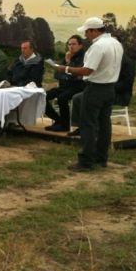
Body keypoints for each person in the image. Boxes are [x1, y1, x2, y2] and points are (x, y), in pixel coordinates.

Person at [53, 17, 123, 171]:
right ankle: (101, 158)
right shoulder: (115, 43)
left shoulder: (98, 46)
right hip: (110, 87)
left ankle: (86, 161)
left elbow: (87, 70)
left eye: (87, 31)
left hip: (95, 88)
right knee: (104, 124)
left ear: (94, 30)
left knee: (88, 125)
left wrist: (64, 68)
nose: (85, 35)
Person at [68, 51, 136, 136]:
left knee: (89, 98)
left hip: (118, 94)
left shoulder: (127, 62)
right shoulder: (108, 60)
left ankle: (94, 129)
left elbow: (126, 84)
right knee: (77, 98)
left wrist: (107, 86)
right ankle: (82, 127)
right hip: (102, 89)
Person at [44, 35, 85, 132]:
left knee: (62, 97)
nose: (71, 46)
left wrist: (67, 64)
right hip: (65, 86)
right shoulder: (68, 56)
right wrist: (67, 63)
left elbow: (76, 75)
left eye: (74, 44)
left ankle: (65, 125)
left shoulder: (84, 57)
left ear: (80, 45)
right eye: (69, 44)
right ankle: (59, 120)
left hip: (78, 86)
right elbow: (57, 74)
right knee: (43, 96)